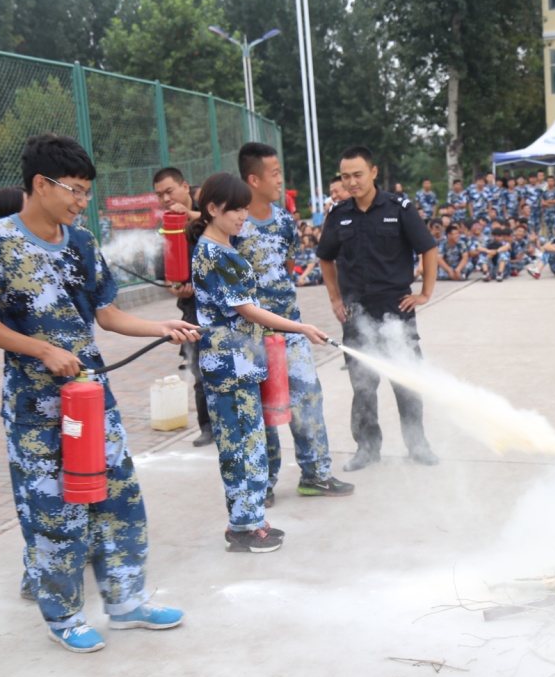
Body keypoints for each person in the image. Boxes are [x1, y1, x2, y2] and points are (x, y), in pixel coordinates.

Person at [0, 133, 199, 653]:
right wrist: (40, 349)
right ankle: (64, 615)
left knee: (119, 499)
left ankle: (127, 602)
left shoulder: (82, 242)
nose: (80, 201)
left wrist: (160, 327)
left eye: (87, 192)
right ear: (41, 184)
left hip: (91, 397)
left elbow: (107, 315)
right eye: (74, 190)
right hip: (34, 407)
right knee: (54, 513)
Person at [188, 173, 331, 553]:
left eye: (244, 209)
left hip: (240, 364)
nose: (242, 217)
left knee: (249, 443)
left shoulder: (221, 249)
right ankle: (244, 527)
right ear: (213, 209)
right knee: (240, 447)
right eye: (235, 209)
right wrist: (300, 326)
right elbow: (248, 311)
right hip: (229, 366)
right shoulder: (217, 254)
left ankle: (252, 519)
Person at [236, 142, 352, 502]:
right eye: (274, 173)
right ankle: (263, 484)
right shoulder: (235, 223)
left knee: (308, 399)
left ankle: (315, 474)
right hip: (251, 334)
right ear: (253, 179)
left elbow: (288, 267)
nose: (280, 180)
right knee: (261, 410)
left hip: (292, 329)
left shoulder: (285, 220)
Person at [316, 146, 439, 471]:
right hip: (356, 315)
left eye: (358, 174)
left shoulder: (399, 208)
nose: (352, 182)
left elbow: (428, 248)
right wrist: (334, 298)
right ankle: (367, 448)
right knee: (363, 385)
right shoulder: (339, 213)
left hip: (396, 310)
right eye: (345, 176)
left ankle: (418, 445)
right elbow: (325, 256)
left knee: (407, 382)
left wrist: (425, 292)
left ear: (372, 173)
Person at [153, 167, 213, 447]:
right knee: (200, 372)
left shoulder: (207, 210)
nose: (165, 198)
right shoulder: (166, 226)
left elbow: (225, 221)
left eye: (169, 191)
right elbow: (166, 277)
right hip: (191, 311)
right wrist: (176, 287)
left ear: (185, 187)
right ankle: (207, 427)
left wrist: (187, 216)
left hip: (221, 305)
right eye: (159, 194)